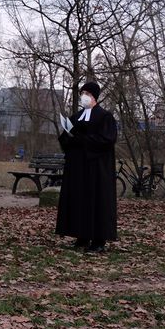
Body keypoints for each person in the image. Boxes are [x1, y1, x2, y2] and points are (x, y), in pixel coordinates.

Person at [56, 81, 118, 253]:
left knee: (97, 202)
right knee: (80, 201)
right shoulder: (76, 117)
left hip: (97, 169)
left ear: (94, 96)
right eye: (82, 93)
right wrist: (69, 138)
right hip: (78, 169)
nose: (84, 96)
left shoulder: (105, 117)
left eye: (87, 93)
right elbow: (65, 139)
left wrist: (82, 139)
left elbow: (107, 140)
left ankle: (99, 240)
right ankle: (81, 236)